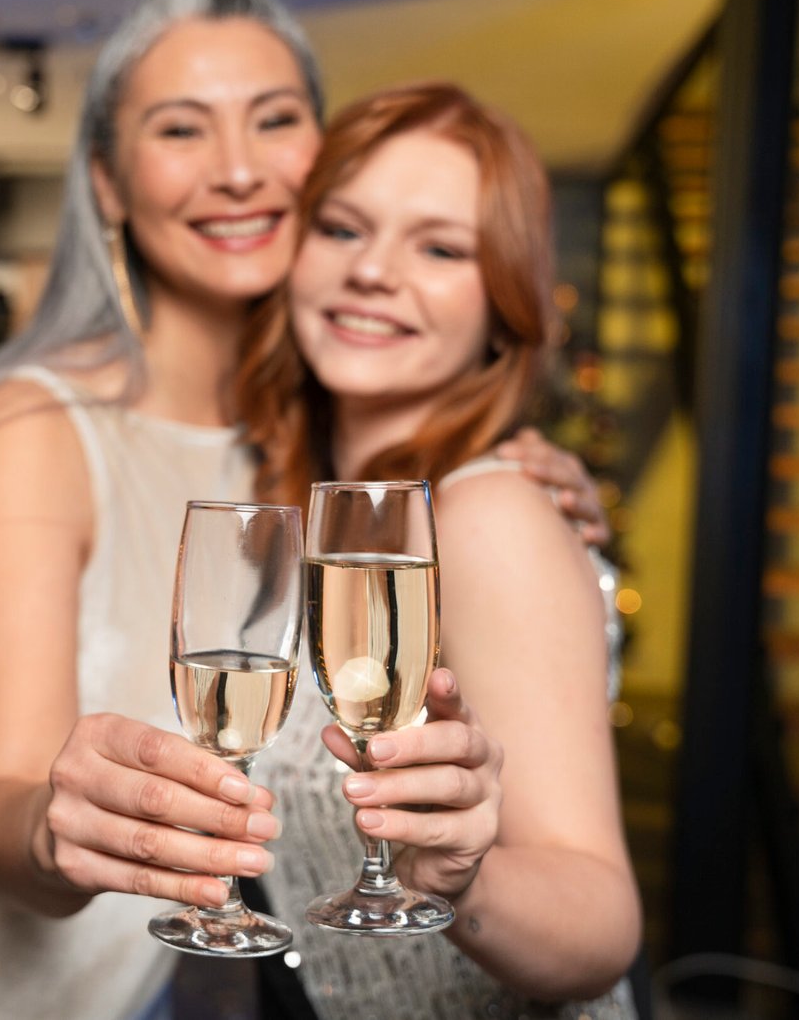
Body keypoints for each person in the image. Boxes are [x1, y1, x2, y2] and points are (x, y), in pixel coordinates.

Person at [0, 0, 604, 1020]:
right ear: (106, 183)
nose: (235, 170)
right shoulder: (36, 423)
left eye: (274, 121)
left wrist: (515, 474)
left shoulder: (306, 445)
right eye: (181, 130)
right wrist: (53, 824)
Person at [236, 81, 640, 1018]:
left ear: (504, 306)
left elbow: (601, 919)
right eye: (342, 228)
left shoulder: (486, 517)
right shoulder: (307, 510)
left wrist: (461, 882)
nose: (374, 270)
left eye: (441, 247)